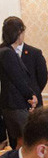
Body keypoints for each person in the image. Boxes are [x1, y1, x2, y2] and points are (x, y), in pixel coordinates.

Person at [0, 16, 37, 149]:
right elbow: (18, 79)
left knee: (20, 142)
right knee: (28, 141)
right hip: (15, 105)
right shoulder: (7, 53)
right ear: (18, 33)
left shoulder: (4, 50)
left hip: (10, 105)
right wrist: (30, 97)